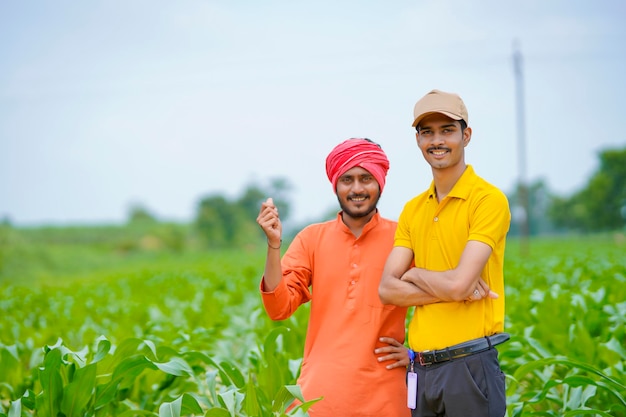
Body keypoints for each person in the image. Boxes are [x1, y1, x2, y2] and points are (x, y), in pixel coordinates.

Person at [379, 89, 512, 417]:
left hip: (469, 366)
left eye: (447, 130)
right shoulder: (413, 210)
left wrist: (414, 274)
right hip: (421, 370)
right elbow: (386, 289)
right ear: (418, 140)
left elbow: (456, 285)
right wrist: (455, 287)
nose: (436, 140)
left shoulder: (488, 200)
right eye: (427, 132)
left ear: (466, 135)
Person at [256, 138, 411, 417]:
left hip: (388, 397)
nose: (357, 189)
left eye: (366, 178)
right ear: (335, 185)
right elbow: (278, 308)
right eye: (347, 179)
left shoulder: (404, 238)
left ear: (380, 182)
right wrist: (273, 245)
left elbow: (437, 301)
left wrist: (415, 355)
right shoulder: (312, 238)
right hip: (319, 398)